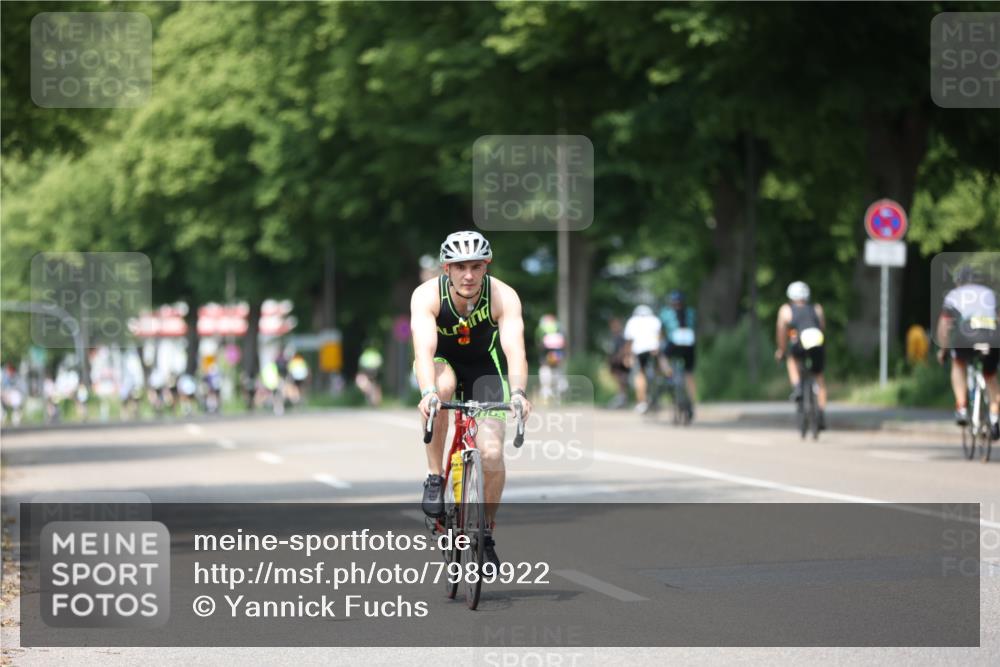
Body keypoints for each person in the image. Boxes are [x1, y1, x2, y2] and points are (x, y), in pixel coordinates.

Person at [410, 230, 532, 567]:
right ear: (445, 268)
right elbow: (423, 350)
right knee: (443, 390)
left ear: (486, 267)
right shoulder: (426, 296)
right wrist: (427, 392)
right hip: (442, 364)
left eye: (476, 267)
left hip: (484, 370)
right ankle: (435, 476)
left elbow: (514, 350)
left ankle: (486, 532)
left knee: (492, 454)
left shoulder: (503, 297)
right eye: (460, 266)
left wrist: (519, 393)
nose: (468, 275)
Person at [935, 265, 999, 439]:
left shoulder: (954, 295)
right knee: (990, 375)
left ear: (959, 282)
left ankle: (962, 407)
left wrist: (943, 350)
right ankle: (994, 419)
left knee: (958, 364)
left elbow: (945, 325)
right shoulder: (990, 293)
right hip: (992, 335)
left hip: (968, 333)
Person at [775, 281, 827, 430]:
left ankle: (798, 387)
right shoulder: (817, 308)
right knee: (819, 377)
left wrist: (781, 349)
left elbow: (781, 331)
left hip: (799, 341)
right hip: (816, 340)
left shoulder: (786, 310)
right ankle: (821, 413)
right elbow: (822, 327)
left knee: (792, 359)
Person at [659, 290, 698, 420]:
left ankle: (669, 375)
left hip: (674, 341)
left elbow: (661, 332)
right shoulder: (691, 312)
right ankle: (692, 403)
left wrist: (659, 343)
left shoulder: (666, 313)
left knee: (662, 356)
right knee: (689, 374)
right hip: (690, 341)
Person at [623, 304, 662, 414]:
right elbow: (660, 336)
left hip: (639, 350)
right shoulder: (655, 320)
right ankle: (657, 394)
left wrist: (627, 356)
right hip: (654, 350)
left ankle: (642, 402)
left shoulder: (632, 321)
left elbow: (629, 340)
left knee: (640, 375)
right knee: (657, 371)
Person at [535, 313, 566, 405]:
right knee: (552, 383)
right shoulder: (559, 329)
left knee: (549, 383)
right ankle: (554, 401)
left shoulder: (541, 330)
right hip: (551, 363)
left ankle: (549, 401)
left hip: (550, 363)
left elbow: (539, 345)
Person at [606, 317, 629, 409]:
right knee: (619, 380)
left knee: (621, 380)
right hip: (615, 362)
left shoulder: (620, 337)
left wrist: (619, 358)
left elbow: (623, 349)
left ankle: (622, 398)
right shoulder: (615, 337)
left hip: (619, 362)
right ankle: (621, 397)